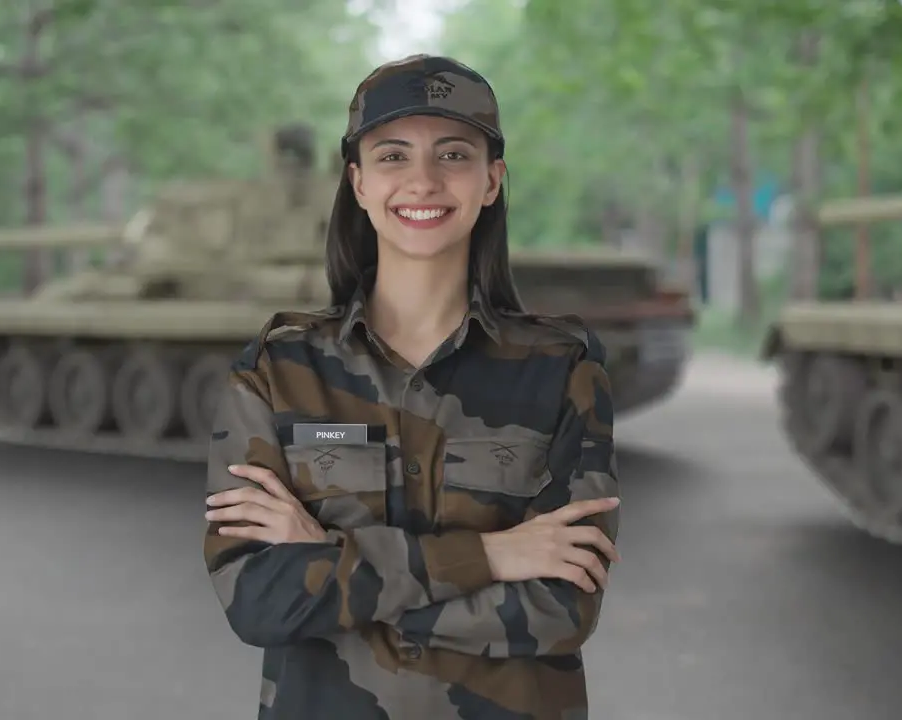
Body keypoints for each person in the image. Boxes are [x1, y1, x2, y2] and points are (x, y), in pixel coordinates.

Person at [201, 54, 621, 720]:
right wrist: (491, 554)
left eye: (453, 154)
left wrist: (330, 566)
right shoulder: (277, 373)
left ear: (491, 181)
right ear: (359, 182)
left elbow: (560, 607)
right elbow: (260, 601)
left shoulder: (563, 371)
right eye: (393, 156)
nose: (423, 180)